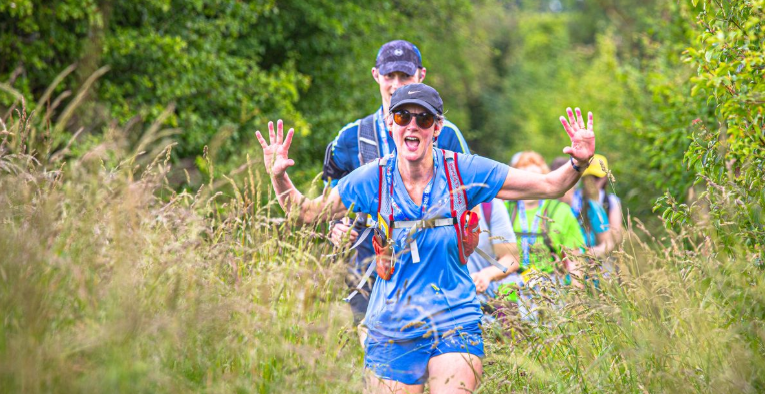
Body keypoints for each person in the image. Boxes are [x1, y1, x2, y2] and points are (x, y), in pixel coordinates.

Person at [254, 82, 596, 393]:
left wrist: (579, 163)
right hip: (390, 326)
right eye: (403, 116)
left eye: (424, 118)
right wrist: (279, 178)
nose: (413, 125)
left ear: (438, 128)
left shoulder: (464, 170)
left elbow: (552, 186)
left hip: (455, 321)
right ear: (391, 125)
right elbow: (306, 213)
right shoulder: (372, 178)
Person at [322, 40, 470, 326]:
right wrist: (335, 227)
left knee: (431, 347)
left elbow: (468, 194)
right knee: (371, 346)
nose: (396, 85)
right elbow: (329, 193)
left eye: (405, 76)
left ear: (421, 75)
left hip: (431, 261)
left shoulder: (446, 134)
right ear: (376, 75)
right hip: (368, 259)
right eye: (390, 76)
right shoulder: (352, 138)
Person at [506, 151, 585, 286]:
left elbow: (575, 260)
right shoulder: (505, 208)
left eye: (535, 176)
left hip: (550, 289)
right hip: (508, 290)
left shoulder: (561, 211)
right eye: (523, 176)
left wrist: (577, 298)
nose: (529, 182)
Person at [465, 199, 520, 313]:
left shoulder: (491, 206)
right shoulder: (425, 208)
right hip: (439, 307)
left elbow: (511, 259)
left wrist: (487, 275)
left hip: (487, 305)